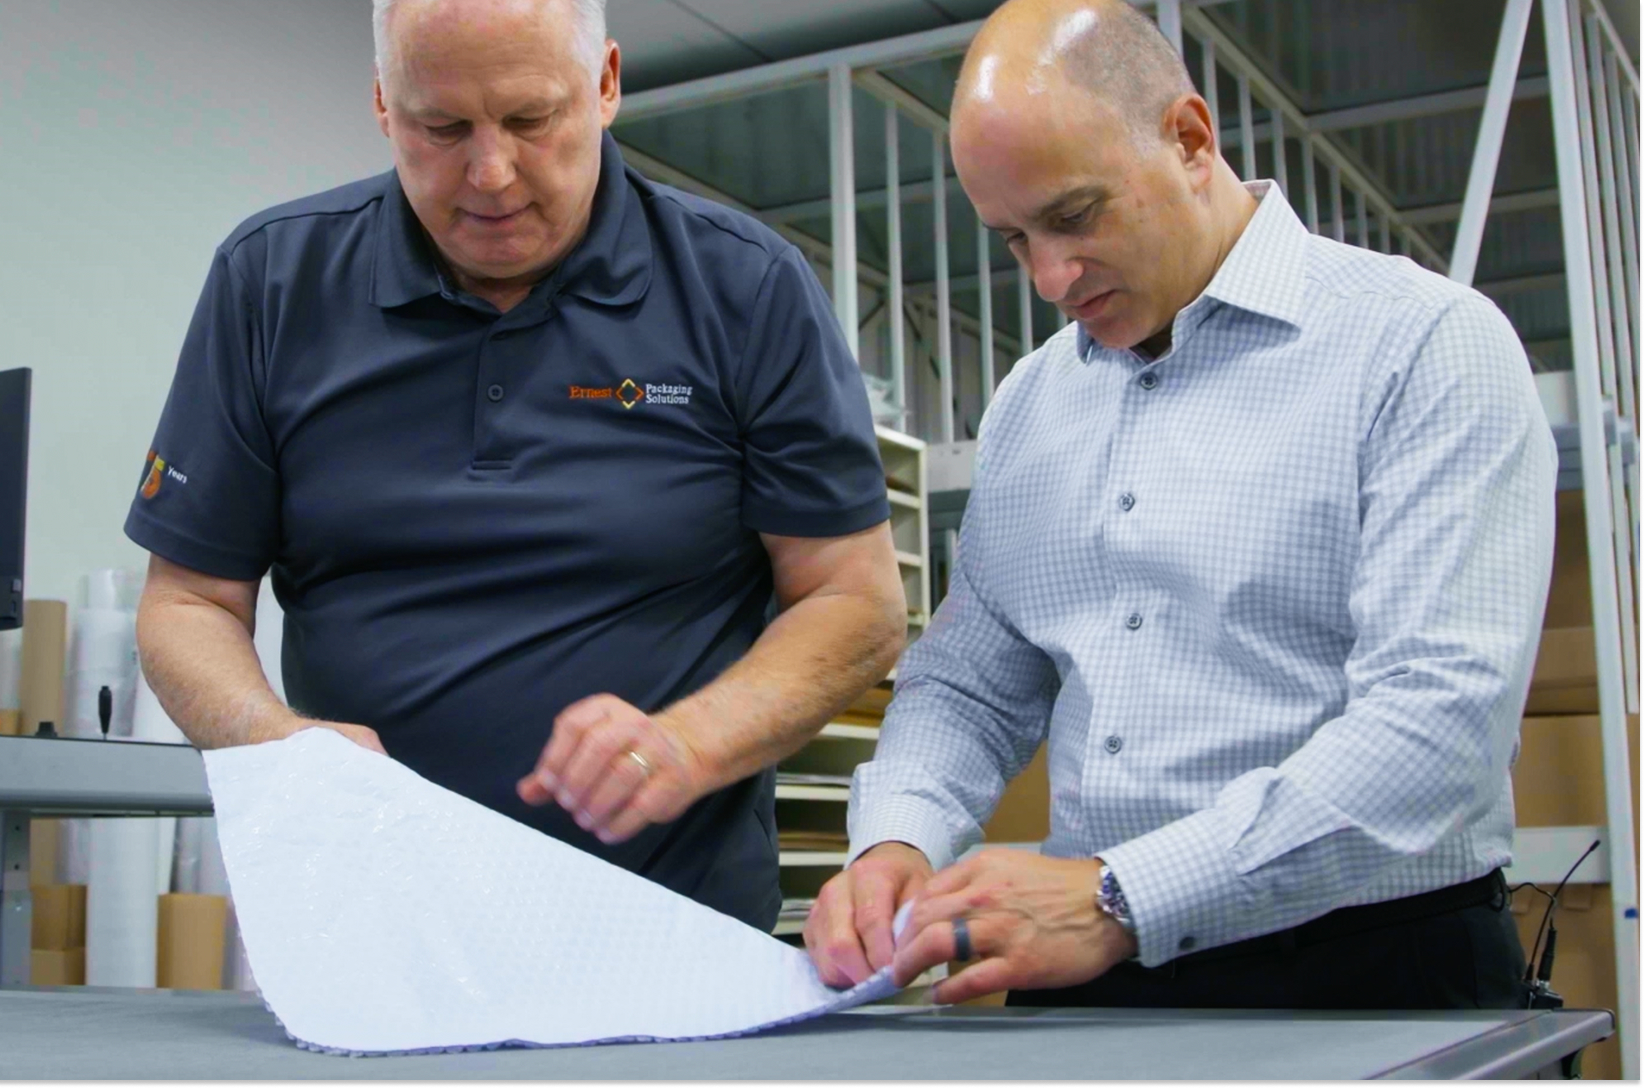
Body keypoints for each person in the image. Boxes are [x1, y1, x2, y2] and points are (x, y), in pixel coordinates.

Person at [806, 0, 1556, 1008]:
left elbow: (1433, 733)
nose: (1048, 278)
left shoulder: (1419, 345)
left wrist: (1122, 897)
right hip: (1087, 971)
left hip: (1369, 967)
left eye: (1072, 217)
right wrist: (894, 834)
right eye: (1010, 238)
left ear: (1189, 138)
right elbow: (970, 683)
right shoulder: (1032, 400)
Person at [127, 0, 908, 932]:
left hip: (670, 934)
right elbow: (185, 605)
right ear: (383, 104)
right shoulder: (270, 284)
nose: (490, 174)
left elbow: (854, 603)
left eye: (532, 120)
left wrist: (690, 742)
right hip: (371, 930)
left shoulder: (747, 289)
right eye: (441, 127)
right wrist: (277, 741)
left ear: (607, 84)